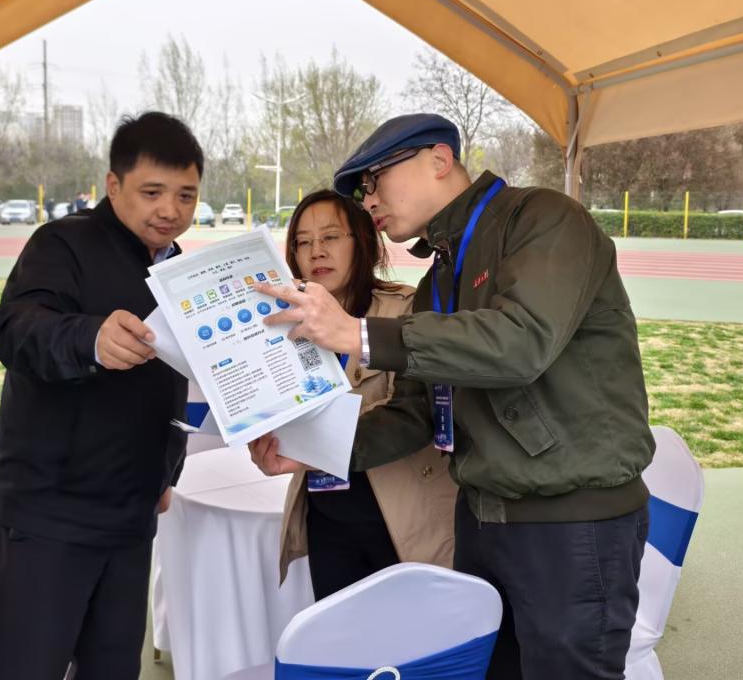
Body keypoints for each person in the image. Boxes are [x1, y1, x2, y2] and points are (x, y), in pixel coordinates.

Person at [250, 113, 655, 680]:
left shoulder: (544, 219)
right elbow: (416, 412)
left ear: (439, 159)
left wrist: (357, 333)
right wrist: (312, 448)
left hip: (569, 521)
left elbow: (521, 343)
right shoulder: (438, 280)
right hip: (480, 520)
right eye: (363, 190)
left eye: (374, 180)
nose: (369, 200)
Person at [0, 111, 204, 680]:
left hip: (131, 512)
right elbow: (16, 331)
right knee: (25, 668)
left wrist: (165, 471)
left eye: (186, 195)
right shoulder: (63, 243)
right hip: (51, 513)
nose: (170, 209)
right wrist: (91, 338)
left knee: (113, 666)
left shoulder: (177, 267)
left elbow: (170, 381)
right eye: (152, 192)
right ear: (114, 185)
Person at [278, 189, 457, 600]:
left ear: (363, 242)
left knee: (410, 633)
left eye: (330, 237)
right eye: (303, 242)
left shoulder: (406, 311)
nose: (316, 251)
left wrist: (319, 444)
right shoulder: (287, 325)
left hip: (400, 520)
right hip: (326, 516)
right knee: (340, 632)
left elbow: (413, 417)